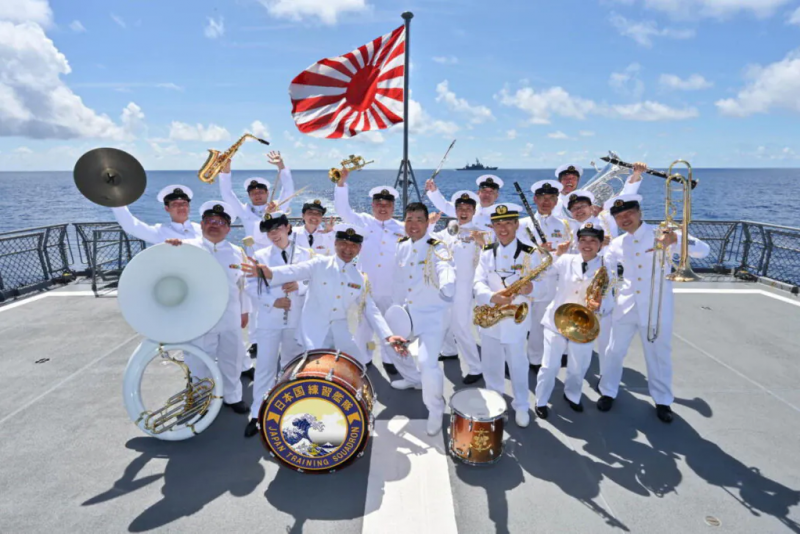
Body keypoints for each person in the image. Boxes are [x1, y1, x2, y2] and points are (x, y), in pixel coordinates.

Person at [597, 193, 710, 423]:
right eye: (619, 216)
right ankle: (608, 390)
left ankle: (663, 400)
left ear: (640, 212)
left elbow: (703, 250)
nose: (625, 219)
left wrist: (677, 239)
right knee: (613, 351)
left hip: (656, 305)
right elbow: (608, 274)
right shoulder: (617, 244)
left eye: (629, 213)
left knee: (658, 354)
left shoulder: (663, 233)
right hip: (625, 306)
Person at [241, 222, 407, 368]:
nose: (348, 249)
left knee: (357, 367)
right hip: (314, 333)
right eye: (343, 243)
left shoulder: (359, 278)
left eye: (353, 245)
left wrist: (388, 336)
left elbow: (370, 309)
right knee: (317, 371)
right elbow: (294, 270)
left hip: (341, 332)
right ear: (335, 243)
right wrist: (270, 273)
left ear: (359, 249)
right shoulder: (319, 263)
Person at [165, 201, 251, 414]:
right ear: (202, 224)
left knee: (232, 358)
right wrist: (169, 249)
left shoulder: (237, 252)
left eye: (221, 222)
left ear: (228, 228)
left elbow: (243, 285)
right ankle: (202, 398)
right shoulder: (185, 248)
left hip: (229, 316)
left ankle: (232, 396)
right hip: (199, 319)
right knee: (199, 361)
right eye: (210, 220)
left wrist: (244, 311)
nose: (215, 225)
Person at [474, 203, 550, 428]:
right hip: (491, 317)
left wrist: (532, 288)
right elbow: (477, 282)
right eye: (498, 224)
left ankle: (521, 405)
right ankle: (494, 401)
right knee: (491, 364)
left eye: (508, 223)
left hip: (516, 320)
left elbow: (545, 287)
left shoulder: (531, 253)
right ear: (492, 227)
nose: (503, 228)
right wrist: (491, 296)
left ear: (517, 224)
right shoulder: (487, 252)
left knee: (518, 365)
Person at [385, 203, 456, 435]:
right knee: (390, 345)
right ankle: (413, 379)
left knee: (427, 363)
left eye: (419, 219)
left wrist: (448, 284)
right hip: (408, 313)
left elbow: (445, 267)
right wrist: (396, 311)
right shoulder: (402, 246)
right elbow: (398, 281)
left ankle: (435, 408)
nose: (413, 224)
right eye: (409, 219)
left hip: (433, 316)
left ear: (427, 223)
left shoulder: (437, 246)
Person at [218, 152, 294, 367]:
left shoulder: (279, 208)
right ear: (250, 195)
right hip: (253, 263)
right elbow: (227, 194)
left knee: (282, 300)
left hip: (276, 262)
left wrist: (282, 166)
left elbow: (288, 190)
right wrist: (225, 171)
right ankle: (255, 342)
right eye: (254, 192)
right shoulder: (244, 211)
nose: (258, 195)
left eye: (261, 191)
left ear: (267, 193)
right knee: (254, 303)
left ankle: (284, 339)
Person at [243, 212, 312, 437]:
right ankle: (257, 413)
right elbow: (250, 286)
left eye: (277, 228)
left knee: (292, 365)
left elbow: (315, 281)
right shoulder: (259, 255)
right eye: (269, 231)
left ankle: (290, 407)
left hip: (296, 319)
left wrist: (300, 286)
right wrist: (272, 301)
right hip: (269, 320)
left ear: (287, 228)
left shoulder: (305, 254)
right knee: (265, 366)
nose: (273, 234)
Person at [534, 222, 614, 419]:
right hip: (557, 321)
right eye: (583, 240)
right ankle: (541, 400)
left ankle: (572, 395)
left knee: (578, 366)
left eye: (593, 241)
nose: (587, 245)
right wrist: (553, 254)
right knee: (549, 366)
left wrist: (599, 305)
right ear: (577, 243)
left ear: (600, 244)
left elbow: (610, 299)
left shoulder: (607, 267)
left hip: (584, 325)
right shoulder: (565, 260)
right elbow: (543, 271)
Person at [334, 171, 406, 374]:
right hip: (367, 287)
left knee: (390, 324)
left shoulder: (402, 228)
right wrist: (341, 184)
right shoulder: (363, 221)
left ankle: (390, 359)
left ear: (393, 207)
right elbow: (343, 210)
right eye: (379, 204)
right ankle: (363, 358)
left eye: (387, 205)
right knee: (363, 326)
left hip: (392, 287)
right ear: (373, 205)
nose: (383, 208)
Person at [431, 191, 484, 382]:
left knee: (461, 327)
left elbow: (490, 256)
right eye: (460, 208)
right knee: (443, 320)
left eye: (468, 208)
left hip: (463, 288)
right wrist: (430, 223)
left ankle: (476, 368)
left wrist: (482, 243)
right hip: (444, 285)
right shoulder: (447, 231)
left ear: (474, 211)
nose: (464, 212)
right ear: (455, 211)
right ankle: (449, 351)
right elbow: (428, 238)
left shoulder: (479, 233)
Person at [518, 180, 569, 373]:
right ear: (534, 199)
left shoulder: (563, 226)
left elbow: (567, 255)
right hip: (525, 280)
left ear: (556, 201)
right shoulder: (522, 224)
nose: (546, 202)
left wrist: (556, 253)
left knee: (540, 323)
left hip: (549, 281)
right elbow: (515, 249)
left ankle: (535, 359)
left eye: (551, 198)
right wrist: (537, 249)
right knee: (518, 321)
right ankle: (513, 357)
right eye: (542, 197)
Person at [111, 184, 202, 243]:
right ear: (167, 208)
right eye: (175, 204)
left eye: (184, 203)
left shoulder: (202, 229)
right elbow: (131, 226)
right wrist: (115, 196)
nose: (181, 207)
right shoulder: (160, 232)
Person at [424, 175, 503, 229]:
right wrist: (433, 190)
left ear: (497, 196)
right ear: (478, 193)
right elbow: (444, 206)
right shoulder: (467, 209)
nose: (487, 195)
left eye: (491, 192)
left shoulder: (501, 216)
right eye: (484, 191)